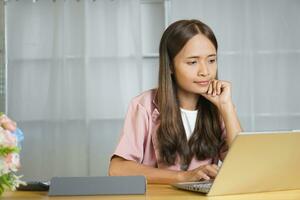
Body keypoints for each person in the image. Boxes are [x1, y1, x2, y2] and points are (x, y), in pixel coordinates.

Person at [109, 19, 242, 184]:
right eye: (192, 62)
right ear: (170, 66)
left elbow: (244, 165)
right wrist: (182, 177)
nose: (205, 71)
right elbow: (117, 169)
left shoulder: (220, 107)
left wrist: (226, 107)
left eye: (211, 60)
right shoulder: (143, 105)